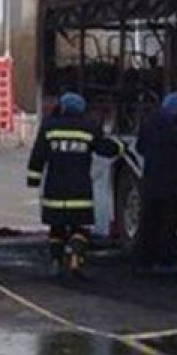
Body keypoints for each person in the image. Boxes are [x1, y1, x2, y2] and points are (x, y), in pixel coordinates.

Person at [27, 92, 124, 277]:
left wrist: (34, 179)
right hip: (79, 189)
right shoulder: (88, 128)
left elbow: (38, 155)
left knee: (56, 228)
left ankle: (56, 261)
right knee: (80, 228)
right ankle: (75, 258)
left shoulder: (49, 127)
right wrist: (121, 147)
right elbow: (104, 148)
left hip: (55, 189)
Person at [135, 91, 177, 273]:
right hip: (168, 182)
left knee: (148, 222)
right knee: (167, 224)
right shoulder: (174, 128)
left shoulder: (149, 124)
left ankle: (144, 261)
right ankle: (165, 261)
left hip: (150, 180)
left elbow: (140, 147)